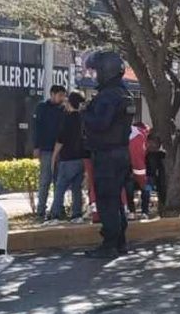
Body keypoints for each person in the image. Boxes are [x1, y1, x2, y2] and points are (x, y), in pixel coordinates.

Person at [72, 51, 134, 259]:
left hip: (107, 154)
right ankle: (120, 242)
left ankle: (109, 244)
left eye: (97, 71)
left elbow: (100, 123)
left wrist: (84, 112)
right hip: (121, 153)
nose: (95, 75)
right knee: (116, 199)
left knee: (107, 200)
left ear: (106, 71)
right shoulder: (124, 92)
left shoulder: (108, 96)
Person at [46, 91, 87, 224]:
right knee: (76, 188)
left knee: (60, 188)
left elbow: (60, 140)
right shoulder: (84, 119)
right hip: (81, 158)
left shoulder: (67, 118)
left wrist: (54, 157)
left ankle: (55, 215)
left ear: (69, 103)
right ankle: (77, 215)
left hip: (68, 158)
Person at [33, 85, 67, 220]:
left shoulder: (64, 109)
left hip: (61, 150)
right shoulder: (41, 108)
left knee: (59, 181)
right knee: (45, 180)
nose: (62, 98)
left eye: (63, 95)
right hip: (46, 149)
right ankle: (41, 210)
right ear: (52, 94)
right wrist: (36, 147)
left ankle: (59, 209)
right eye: (60, 95)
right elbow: (36, 128)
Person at [124, 121, 149, 219]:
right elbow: (139, 156)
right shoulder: (141, 136)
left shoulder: (131, 134)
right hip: (140, 168)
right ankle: (144, 212)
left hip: (128, 167)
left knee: (129, 189)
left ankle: (132, 211)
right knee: (145, 188)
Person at [143, 134, 167, 217]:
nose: (153, 146)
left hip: (156, 178)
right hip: (145, 178)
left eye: (156, 144)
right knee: (146, 190)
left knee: (161, 188)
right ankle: (144, 210)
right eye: (151, 143)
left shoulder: (161, 155)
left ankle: (162, 207)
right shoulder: (144, 154)